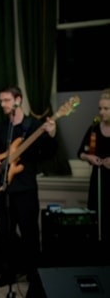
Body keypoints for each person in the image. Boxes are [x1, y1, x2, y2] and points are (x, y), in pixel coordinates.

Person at [0, 86, 56, 291]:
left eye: (6, 100)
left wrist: (51, 135)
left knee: (30, 235)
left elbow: (48, 154)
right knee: (5, 234)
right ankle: (8, 274)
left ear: (18, 100)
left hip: (25, 189)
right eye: (1, 101)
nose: (3, 104)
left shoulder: (33, 126)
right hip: (4, 189)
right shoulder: (2, 128)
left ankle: (35, 278)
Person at [78, 90, 110, 257]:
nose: (102, 112)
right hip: (98, 181)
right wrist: (89, 157)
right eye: (100, 108)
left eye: (106, 108)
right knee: (97, 221)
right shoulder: (94, 129)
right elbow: (80, 153)